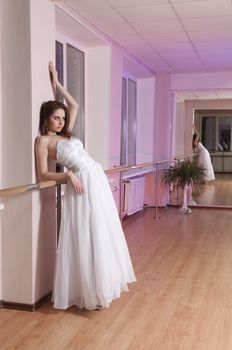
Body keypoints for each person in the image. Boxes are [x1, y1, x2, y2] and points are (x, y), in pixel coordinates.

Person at [35, 62, 136, 310]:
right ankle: (88, 290)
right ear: (46, 119)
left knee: (101, 229)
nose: (61, 121)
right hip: (80, 182)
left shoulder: (66, 135)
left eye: (62, 118)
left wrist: (57, 84)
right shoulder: (43, 141)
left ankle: (102, 287)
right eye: (56, 118)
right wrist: (68, 176)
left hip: (96, 178)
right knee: (85, 233)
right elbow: (42, 175)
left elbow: (75, 106)